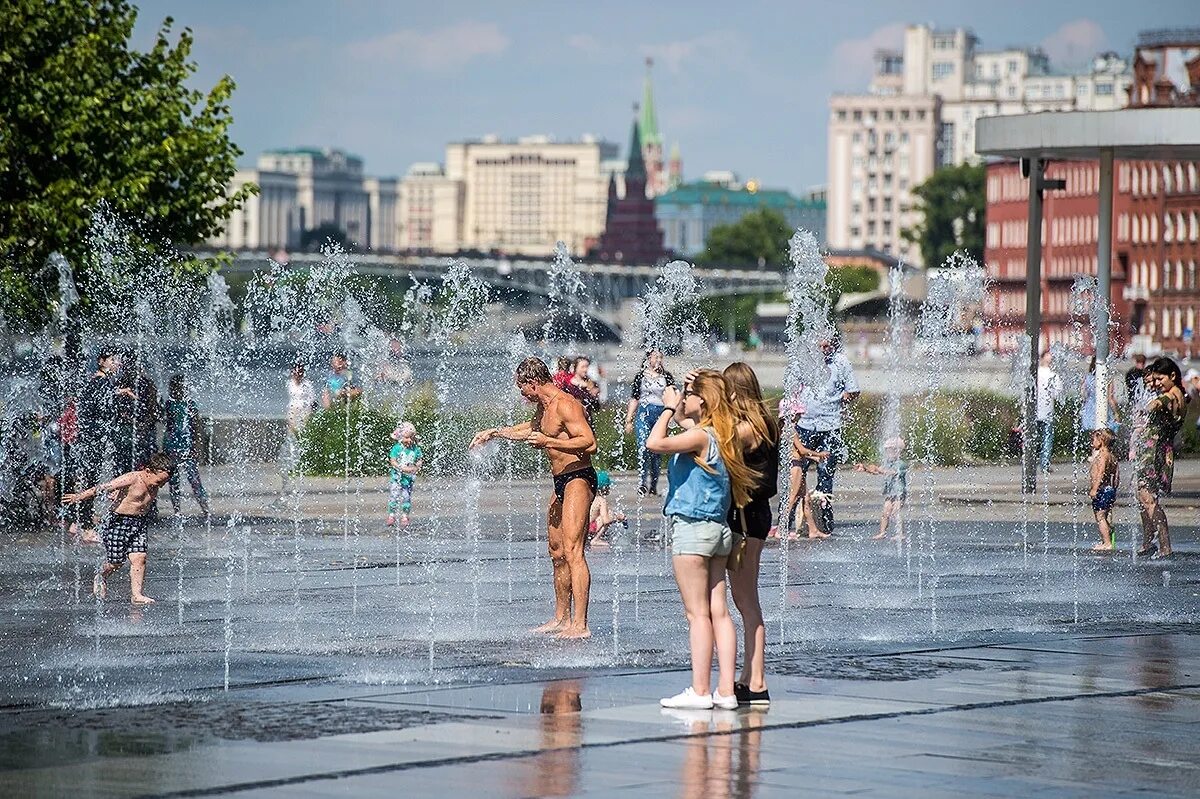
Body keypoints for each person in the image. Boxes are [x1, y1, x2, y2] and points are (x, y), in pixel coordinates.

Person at [647, 370, 757, 710]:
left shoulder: (701, 437)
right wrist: (683, 391)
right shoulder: (723, 435)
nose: (683, 400)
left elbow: (655, 443)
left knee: (697, 615)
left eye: (690, 395)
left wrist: (665, 408)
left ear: (704, 402)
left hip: (692, 532)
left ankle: (699, 690)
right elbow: (687, 420)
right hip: (718, 532)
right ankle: (726, 692)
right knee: (719, 613)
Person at [471, 357, 597, 639]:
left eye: (522, 388)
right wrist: (495, 433)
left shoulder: (566, 404)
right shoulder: (544, 406)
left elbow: (590, 443)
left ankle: (581, 625)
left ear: (533, 383)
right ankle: (561, 618)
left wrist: (549, 442)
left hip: (579, 477)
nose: (521, 394)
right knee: (557, 552)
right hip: (560, 480)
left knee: (574, 551)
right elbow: (531, 429)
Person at [722, 362, 779, 706]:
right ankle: (750, 675)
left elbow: (716, 443)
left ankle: (756, 679)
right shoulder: (767, 423)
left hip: (743, 518)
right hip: (757, 516)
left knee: (745, 602)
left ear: (735, 391)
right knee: (748, 602)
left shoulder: (745, 430)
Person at [63, 452, 173, 605]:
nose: (160, 485)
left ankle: (137, 595)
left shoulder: (153, 481)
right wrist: (80, 496)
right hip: (118, 522)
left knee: (139, 558)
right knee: (116, 562)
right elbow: (104, 487)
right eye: (159, 481)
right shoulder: (133, 478)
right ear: (148, 471)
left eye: (164, 483)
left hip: (139, 523)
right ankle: (100, 575)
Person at [793, 336, 859, 533]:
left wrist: (844, 399)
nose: (823, 347)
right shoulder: (802, 361)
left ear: (834, 343)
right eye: (819, 343)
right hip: (804, 425)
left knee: (826, 475)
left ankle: (825, 523)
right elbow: (791, 390)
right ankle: (788, 521)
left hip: (830, 426)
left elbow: (854, 390)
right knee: (796, 473)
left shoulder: (841, 362)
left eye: (827, 343)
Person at [70, 349, 129, 541]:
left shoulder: (98, 381)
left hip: (89, 437)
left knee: (87, 477)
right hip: (93, 438)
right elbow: (99, 407)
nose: (116, 363)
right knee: (90, 480)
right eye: (112, 360)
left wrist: (120, 392)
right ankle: (86, 528)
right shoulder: (100, 381)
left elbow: (96, 400)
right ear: (101, 361)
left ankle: (76, 522)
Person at [1134, 357, 1186, 559]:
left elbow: (1161, 402)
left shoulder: (1172, 395)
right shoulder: (1175, 393)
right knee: (1143, 498)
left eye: (1159, 379)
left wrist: (1150, 406)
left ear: (1172, 375)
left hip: (1154, 454)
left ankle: (1164, 545)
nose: (1156, 384)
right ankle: (1149, 542)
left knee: (1148, 498)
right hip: (1154, 452)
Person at [624, 350, 675, 496]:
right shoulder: (640, 376)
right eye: (655, 357)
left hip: (660, 413)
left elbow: (672, 396)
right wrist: (629, 420)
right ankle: (641, 483)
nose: (659, 359)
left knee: (657, 450)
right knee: (643, 447)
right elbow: (635, 398)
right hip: (644, 413)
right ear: (648, 359)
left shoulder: (667, 376)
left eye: (661, 357)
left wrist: (671, 416)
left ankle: (653, 485)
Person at [162, 375, 209, 516]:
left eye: (178, 387)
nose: (174, 391)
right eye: (172, 388)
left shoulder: (190, 405)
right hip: (171, 446)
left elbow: (196, 427)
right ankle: (177, 510)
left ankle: (205, 508)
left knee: (194, 478)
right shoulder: (168, 404)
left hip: (186, 446)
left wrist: (196, 447)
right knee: (174, 480)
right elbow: (167, 424)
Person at [855, 436, 908, 542]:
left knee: (895, 512)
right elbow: (878, 471)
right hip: (890, 493)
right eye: (887, 451)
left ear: (898, 451)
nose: (889, 454)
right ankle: (882, 532)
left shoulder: (901, 464)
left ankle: (900, 534)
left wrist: (878, 469)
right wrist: (865, 468)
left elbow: (891, 472)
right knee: (885, 513)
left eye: (891, 451)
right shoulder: (887, 463)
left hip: (899, 493)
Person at [1088, 429, 1119, 553]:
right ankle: (1107, 534)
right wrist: (1114, 489)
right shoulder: (1112, 456)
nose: (1092, 442)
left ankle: (1107, 543)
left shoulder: (1103, 456)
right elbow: (1117, 476)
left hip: (1102, 490)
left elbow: (1100, 473)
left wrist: (1094, 488)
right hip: (1109, 489)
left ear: (1101, 441)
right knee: (1103, 516)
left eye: (1094, 440)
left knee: (1100, 516)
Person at [387, 422, 423, 527]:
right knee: (394, 496)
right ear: (400, 437)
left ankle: (405, 516)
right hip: (396, 478)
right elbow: (392, 461)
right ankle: (391, 515)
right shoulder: (397, 448)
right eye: (407, 438)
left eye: (411, 438)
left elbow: (419, 460)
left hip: (408, 479)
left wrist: (416, 467)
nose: (409, 440)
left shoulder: (415, 449)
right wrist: (400, 468)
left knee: (406, 497)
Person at [1035, 350, 1062, 472]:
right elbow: (1057, 394)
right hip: (1047, 411)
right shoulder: (1053, 376)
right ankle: (1044, 464)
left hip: (1035, 411)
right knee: (1046, 438)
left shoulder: (1035, 373)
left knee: (1033, 438)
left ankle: (1031, 461)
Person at [587, 470, 627, 549]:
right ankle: (596, 539)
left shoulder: (589, 497)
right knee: (610, 514)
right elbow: (606, 520)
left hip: (582, 528)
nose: (609, 488)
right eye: (608, 486)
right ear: (605, 487)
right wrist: (617, 518)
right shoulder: (601, 500)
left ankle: (589, 538)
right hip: (590, 528)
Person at [1079, 356, 1119, 434]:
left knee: (1091, 438)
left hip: (1089, 410)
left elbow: (1083, 395)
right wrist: (1116, 413)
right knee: (1103, 435)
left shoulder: (1087, 378)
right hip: (1103, 409)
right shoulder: (1107, 379)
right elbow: (1110, 398)